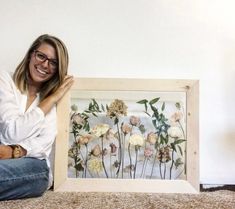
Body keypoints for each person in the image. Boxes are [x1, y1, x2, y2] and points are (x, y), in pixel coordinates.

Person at [0, 34, 74, 200]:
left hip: (33, 165)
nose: (45, 65)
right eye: (41, 56)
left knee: (32, 172)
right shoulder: (5, 80)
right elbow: (11, 132)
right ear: (30, 55)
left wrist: (13, 151)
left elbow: (40, 144)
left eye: (53, 62)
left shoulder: (56, 99)